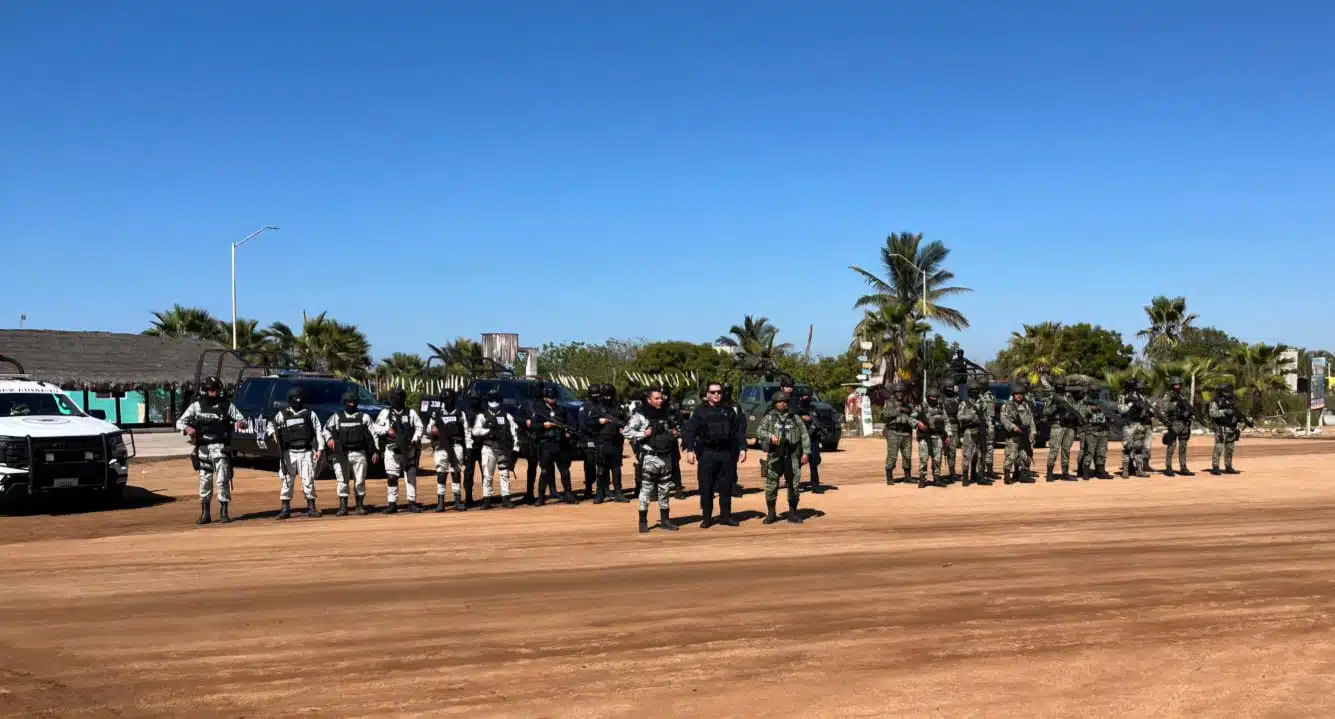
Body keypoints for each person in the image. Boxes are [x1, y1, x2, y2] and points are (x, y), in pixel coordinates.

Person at [177, 375, 248, 525]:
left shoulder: (226, 405)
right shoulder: (196, 406)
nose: (215, 393)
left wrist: (240, 424)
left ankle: (224, 511)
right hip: (203, 449)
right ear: (205, 390)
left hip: (220, 448)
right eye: (212, 390)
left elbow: (242, 420)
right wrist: (187, 428)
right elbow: (179, 422)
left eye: (217, 390)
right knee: (205, 481)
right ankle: (205, 513)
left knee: (222, 480)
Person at [682, 381, 746, 528]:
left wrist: (743, 448)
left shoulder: (729, 411)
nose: (716, 394)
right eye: (713, 392)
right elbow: (689, 431)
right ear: (707, 395)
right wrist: (690, 450)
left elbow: (738, 431)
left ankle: (726, 516)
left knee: (726, 485)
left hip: (726, 453)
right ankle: (707, 518)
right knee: (706, 486)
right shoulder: (699, 411)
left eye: (719, 392)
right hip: (707, 453)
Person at [621, 387, 681, 533]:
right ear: (649, 399)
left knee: (665, 489)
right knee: (646, 490)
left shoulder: (667, 414)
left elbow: (677, 429)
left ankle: (665, 519)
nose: (660, 401)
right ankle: (643, 520)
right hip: (650, 456)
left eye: (661, 398)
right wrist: (644, 433)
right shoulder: (640, 415)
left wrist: (675, 433)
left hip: (665, 456)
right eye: (656, 398)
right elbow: (627, 432)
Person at [267, 386, 327, 519]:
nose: (298, 401)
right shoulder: (283, 414)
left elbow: (318, 431)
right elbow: (271, 425)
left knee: (308, 479)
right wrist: (273, 435)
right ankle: (285, 508)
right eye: (295, 398)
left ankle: (311, 507)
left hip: (306, 452)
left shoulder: (309, 413)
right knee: (287, 480)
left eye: (300, 398)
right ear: (290, 399)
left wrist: (320, 449)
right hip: (289, 453)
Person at [755, 391, 811, 524]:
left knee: (794, 485)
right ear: (774, 403)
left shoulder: (795, 418)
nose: (782, 404)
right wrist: (770, 437)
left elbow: (804, 434)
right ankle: (771, 513)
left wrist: (806, 453)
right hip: (775, 455)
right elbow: (759, 431)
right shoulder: (769, 417)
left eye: (785, 401)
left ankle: (792, 513)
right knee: (771, 485)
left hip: (792, 455)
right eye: (779, 402)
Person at [324, 389, 378, 516]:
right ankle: (343, 507)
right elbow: (325, 429)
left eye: (354, 402)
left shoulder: (364, 417)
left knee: (360, 480)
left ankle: (360, 505)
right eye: (349, 402)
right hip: (341, 454)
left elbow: (373, 435)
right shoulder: (337, 417)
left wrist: (375, 451)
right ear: (344, 403)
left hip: (359, 453)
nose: (351, 404)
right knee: (342, 480)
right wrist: (330, 439)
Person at [373, 388, 424, 513]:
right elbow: (376, 427)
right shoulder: (385, 413)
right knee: (392, 477)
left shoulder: (410, 412)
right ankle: (392, 503)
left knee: (411, 477)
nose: (396, 401)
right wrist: (387, 430)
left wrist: (415, 439)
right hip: (392, 450)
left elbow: (419, 427)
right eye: (394, 399)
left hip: (409, 449)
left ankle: (411, 502)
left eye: (398, 398)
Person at [529, 384, 578, 505]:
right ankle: (541, 496)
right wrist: (543, 426)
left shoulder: (561, 410)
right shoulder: (540, 411)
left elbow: (571, 425)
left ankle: (568, 494)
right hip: (546, 444)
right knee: (545, 471)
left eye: (555, 397)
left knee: (565, 471)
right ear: (545, 398)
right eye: (551, 397)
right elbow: (533, 426)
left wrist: (569, 433)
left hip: (561, 444)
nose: (553, 399)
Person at [426, 387, 472, 511]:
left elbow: (467, 432)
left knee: (456, 473)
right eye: (445, 399)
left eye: (450, 399)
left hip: (456, 446)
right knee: (441, 474)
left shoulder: (460, 414)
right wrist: (433, 429)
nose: (448, 401)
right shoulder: (437, 414)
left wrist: (468, 449)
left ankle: (457, 501)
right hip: (441, 447)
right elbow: (428, 428)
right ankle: (441, 502)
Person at [471, 390, 520, 508]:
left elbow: (515, 431)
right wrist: (488, 431)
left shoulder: (506, 415)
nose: (494, 402)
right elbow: (475, 431)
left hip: (503, 448)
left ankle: (506, 498)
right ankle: (487, 499)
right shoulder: (482, 416)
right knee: (488, 475)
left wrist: (515, 448)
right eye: (492, 400)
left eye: (496, 400)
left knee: (504, 474)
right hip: (488, 448)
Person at [584, 384, 630, 503]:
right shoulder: (597, 409)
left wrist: (623, 428)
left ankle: (618, 493)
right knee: (601, 470)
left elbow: (626, 422)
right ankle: (600, 494)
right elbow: (588, 423)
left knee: (616, 470)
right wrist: (599, 421)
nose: (608, 398)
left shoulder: (617, 408)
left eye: (610, 395)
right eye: (606, 395)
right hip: (602, 443)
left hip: (615, 443)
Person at [1043, 376, 1084, 482]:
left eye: (1063, 386)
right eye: (1059, 386)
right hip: (1057, 425)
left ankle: (1065, 473)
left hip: (1069, 426)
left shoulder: (1069, 396)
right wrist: (1055, 407)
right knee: (1054, 450)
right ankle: (1049, 473)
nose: (1061, 388)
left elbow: (1074, 408)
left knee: (1066, 450)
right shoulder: (1052, 397)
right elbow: (1045, 411)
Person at [999, 380, 1036, 485]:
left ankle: (1023, 476)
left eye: (1021, 394)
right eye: (1017, 394)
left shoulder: (1026, 405)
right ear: (1013, 395)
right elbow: (1003, 418)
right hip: (1013, 435)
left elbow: (1031, 419)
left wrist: (1033, 432)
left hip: (1024, 434)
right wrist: (1012, 426)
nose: (1019, 396)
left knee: (1026, 455)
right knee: (1011, 456)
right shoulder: (1007, 405)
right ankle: (1007, 477)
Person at [915, 385, 951, 488]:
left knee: (937, 458)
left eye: (936, 397)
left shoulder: (940, 408)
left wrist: (948, 434)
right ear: (927, 396)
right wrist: (918, 423)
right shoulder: (921, 407)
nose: (934, 399)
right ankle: (922, 479)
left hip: (937, 436)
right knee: (924, 458)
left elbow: (947, 421)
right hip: (925, 437)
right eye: (932, 397)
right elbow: (911, 418)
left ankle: (937, 478)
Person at [1208, 384, 1248, 475]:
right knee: (1219, 447)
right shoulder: (1216, 401)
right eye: (1225, 391)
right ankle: (1215, 467)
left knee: (1230, 448)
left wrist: (1239, 425)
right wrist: (1224, 412)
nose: (1227, 393)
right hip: (1221, 428)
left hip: (1232, 428)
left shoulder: (1233, 401)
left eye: (1228, 391)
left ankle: (1228, 466)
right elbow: (1212, 413)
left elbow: (1238, 415)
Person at [881, 382, 916, 484]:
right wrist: (899, 409)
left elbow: (914, 415)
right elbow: (885, 414)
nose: (900, 394)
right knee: (892, 455)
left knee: (907, 455)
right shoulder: (889, 403)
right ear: (894, 393)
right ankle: (889, 476)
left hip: (906, 432)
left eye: (902, 392)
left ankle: (907, 476)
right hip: (894, 432)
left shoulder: (908, 404)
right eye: (898, 392)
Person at [1160, 377, 1195, 476]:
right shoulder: (1168, 396)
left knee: (1183, 447)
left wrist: (1188, 413)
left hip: (1184, 423)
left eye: (1179, 384)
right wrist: (1175, 404)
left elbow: (1188, 407)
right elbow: (1165, 408)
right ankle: (1168, 467)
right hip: (1174, 423)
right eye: (1175, 385)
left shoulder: (1183, 396)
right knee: (1172, 446)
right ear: (1172, 386)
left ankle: (1183, 467)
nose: (1177, 386)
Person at [954, 389, 990, 486]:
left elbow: (986, 415)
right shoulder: (964, 404)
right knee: (967, 454)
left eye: (977, 390)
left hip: (980, 430)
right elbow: (959, 416)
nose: (976, 392)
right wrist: (971, 417)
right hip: (969, 431)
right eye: (974, 390)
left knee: (981, 454)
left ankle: (979, 476)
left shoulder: (981, 402)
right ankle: (965, 476)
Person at [1117, 379, 1153, 478]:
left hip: (1139, 424)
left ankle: (1139, 470)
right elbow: (1121, 410)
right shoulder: (1123, 396)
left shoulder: (1139, 396)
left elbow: (1146, 407)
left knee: (1138, 447)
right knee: (1127, 448)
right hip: (1129, 425)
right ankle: (1125, 470)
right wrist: (1130, 404)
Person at [794, 391, 825, 493]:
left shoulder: (813, 409)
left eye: (808, 397)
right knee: (798, 463)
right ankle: (795, 485)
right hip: (800, 440)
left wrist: (812, 421)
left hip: (813, 439)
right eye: (804, 396)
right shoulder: (796, 410)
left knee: (814, 462)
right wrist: (802, 418)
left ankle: (815, 485)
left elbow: (818, 422)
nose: (806, 398)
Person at [456, 392, 482, 508]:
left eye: (476, 399)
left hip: (482, 446)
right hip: (470, 447)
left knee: (486, 473)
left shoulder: (483, 413)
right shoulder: (465, 413)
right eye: (473, 399)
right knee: (468, 474)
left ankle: (487, 496)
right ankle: (468, 497)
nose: (474, 401)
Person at [722, 385, 748, 497]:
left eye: (729, 391)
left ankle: (732, 487)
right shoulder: (716, 406)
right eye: (725, 391)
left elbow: (742, 424)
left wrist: (742, 442)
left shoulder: (736, 406)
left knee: (732, 465)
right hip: (720, 441)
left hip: (733, 440)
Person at [971, 377, 999, 479]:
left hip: (985, 424)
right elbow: (991, 413)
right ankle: (984, 471)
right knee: (984, 447)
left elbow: (992, 411)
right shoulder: (986, 396)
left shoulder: (980, 396)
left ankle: (983, 471)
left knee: (984, 448)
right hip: (984, 425)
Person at [940, 380, 961, 482]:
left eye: (951, 387)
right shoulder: (940, 399)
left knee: (952, 451)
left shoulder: (957, 399)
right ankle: (937, 474)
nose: (950, 389)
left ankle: (952, 473)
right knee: (939, 451)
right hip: (941, 427)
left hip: (954, 427)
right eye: (948, 387)